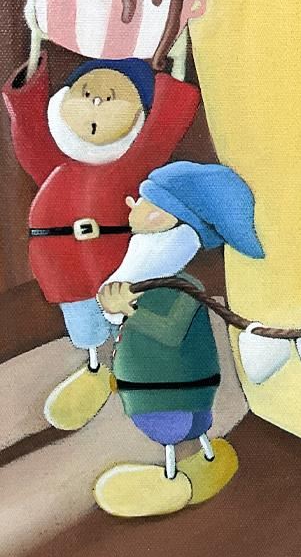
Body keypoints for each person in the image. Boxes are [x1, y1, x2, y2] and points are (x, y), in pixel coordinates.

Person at [3, 52, 200, 431]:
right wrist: (28, 86)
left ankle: (136, 373)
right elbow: (29, 138)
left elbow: (162, 131)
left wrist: (173, 83)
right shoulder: (53, 161)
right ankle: (95, 370)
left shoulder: (134, 163)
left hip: (112, 261)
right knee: (85, 327)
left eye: (112, 97)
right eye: (86, 92)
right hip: (63, 270)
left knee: (127, 321)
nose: (96, 102)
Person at [95, 161, 264, 518]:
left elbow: (169, 332)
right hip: (165, 388)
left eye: (144, 201)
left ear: (162, 217)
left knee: (172, 429)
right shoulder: (145, 281)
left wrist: (127, 311)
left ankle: (170, 478)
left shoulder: (184, 288)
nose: (131, 205)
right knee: (184, 425)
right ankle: (205, 454)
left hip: (170, 392)